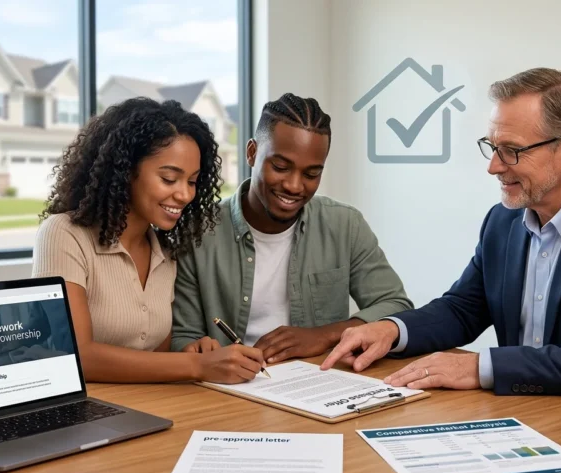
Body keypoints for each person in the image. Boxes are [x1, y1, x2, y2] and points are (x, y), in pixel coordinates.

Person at [322, 68, 561, 396]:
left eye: (512, 151)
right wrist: (392, 329)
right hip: (530, 412)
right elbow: (463, 309)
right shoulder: (503, 221)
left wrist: (483, 367)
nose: (494, 167)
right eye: (492, 147)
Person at [32, 97, 265, 384]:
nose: (185, 195)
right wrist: (195, 364)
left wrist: (189, 353)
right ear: (124, 171)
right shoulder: (64, 235)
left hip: (150, 408)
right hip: (85, 414)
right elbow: (78, 355)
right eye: (169, 179)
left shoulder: (165, 251)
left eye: (192, 181)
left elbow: (155, 356)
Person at [171, 93, 413, 364]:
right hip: (230, 390)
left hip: (317, 386)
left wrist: (322, 335)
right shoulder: (198, 231)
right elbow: (184, 335)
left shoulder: (345, 225)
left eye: (311, 174)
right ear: (252, 152)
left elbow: (396, 306)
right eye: (281, 167)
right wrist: (198, 352)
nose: (295, 186)